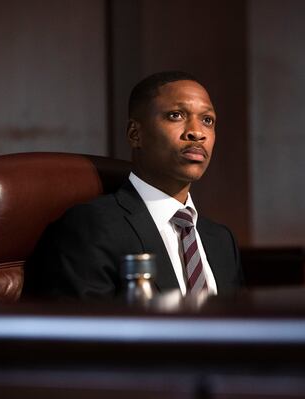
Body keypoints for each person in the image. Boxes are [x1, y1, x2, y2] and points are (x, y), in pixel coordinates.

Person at [24, 71, 243, 300]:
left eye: (207, 120)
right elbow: (85, 332)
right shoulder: (91, 227)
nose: (197, 133)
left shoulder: (221, 240)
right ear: (135, 134)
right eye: (176, 115)